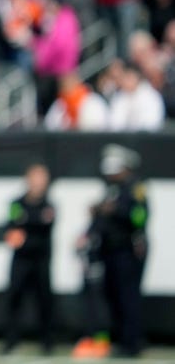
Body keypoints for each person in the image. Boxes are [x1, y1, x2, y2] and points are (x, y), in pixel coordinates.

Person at [94, 144, 149, 358]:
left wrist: (117, 211)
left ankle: (132, 343)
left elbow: (140, 218)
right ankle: (120, 339)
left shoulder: (136, 189)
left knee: (129, 297)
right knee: (113, 296)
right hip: (110, 251)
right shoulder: (111, 189)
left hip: (128, 250)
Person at [1, 163, 56, 354]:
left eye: (41, 178)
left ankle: (47, 341)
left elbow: (45, 224)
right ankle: (11, 340)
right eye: (34, 177)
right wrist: (33, 223)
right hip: (21, 259)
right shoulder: (17, 203)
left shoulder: (49, 205)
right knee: (14, 298)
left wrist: (27, 223)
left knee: (44, 300)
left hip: (41, 259)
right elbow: (12, 227)